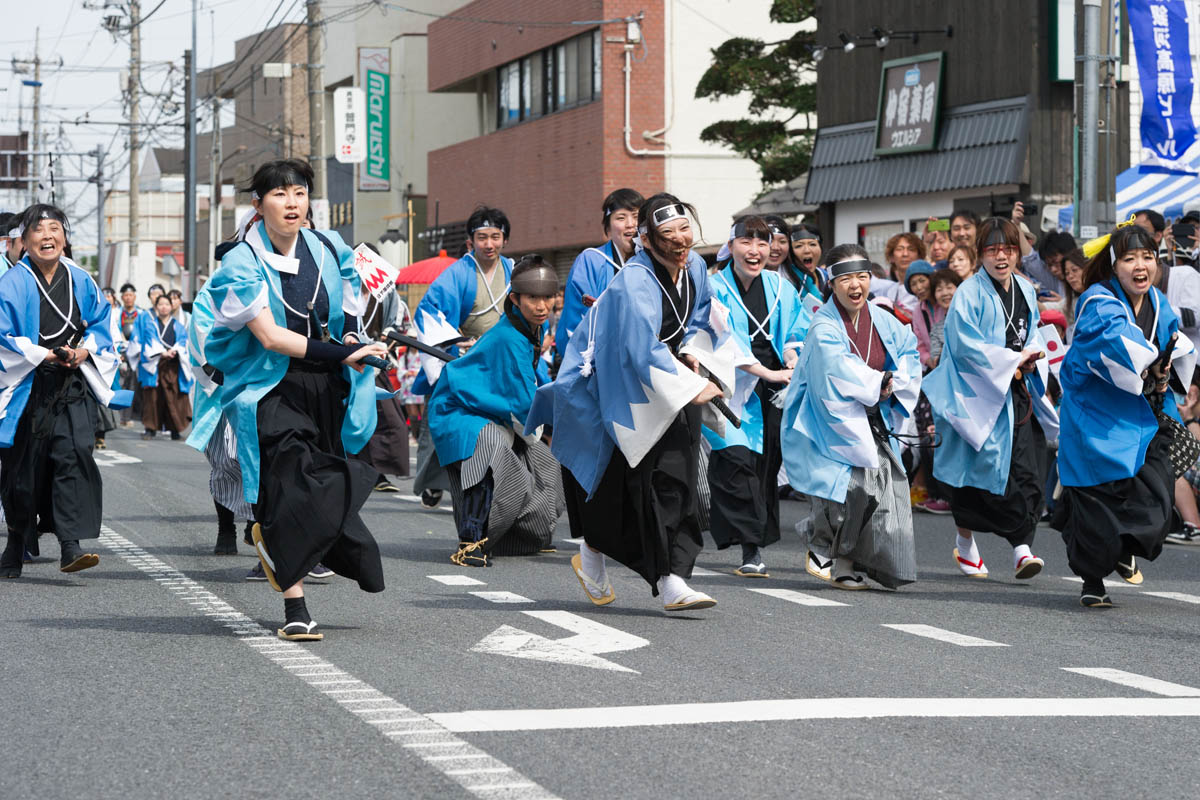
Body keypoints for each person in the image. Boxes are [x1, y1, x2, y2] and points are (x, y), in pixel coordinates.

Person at [204, 159, 387, 641]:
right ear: (257, 204)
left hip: (324, 387)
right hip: (269, 388)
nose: (292, 202)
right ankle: (296, 607)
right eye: (280, 194)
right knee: (289, 484)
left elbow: (351, 305)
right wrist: (344, 351)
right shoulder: (240, 261)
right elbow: (269, 338)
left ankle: (274, 539)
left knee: (322, 481)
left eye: (300, 193)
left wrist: (356, 339)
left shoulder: (330, 247)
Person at [529, 193, 738, 612]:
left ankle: (673, 578)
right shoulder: (633, 280)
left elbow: (702, 319)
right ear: (646, 238)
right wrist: (689, 385)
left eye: (685, 230)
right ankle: (595, 555)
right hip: (617, 383)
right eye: (668, 234)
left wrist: (695, 355)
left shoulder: (696, 266)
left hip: (669, 380)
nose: (680, 241)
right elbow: (639, 347)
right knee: (618, 482)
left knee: (675, 480)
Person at [1050, 222, 1196, 607]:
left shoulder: (1160, 305)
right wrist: (1150, 366)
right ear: (1114, 265)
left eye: (1147, 256)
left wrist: (1170, 370)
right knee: (1095, 505)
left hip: (1143, 415)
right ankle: (1093, 581)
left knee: (1158, 498)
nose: (1140, 265)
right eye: (1129, 258)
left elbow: (1171, 344)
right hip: (1097, 418)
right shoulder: (1098, 302)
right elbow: (1117, 344)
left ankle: (1122, 547)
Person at [925, 217, 1059, 581]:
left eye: (1009, 249)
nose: (1001, 257)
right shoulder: (969, 292)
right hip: (976, 396)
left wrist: (1030, 358)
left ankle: (1021, 549)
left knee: (1026, 472)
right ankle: (966, 542)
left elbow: (1030, 335)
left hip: (1015, 393)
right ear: (980, 253)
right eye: (992, 250)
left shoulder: (1026, 290)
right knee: (975, 476)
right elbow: (964, 347)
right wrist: (1011, 359)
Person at [0, 204, 130, 578]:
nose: (47, 236)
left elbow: (104, 323)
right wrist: (42, 354)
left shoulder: (81, 278)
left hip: (70, 383)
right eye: (37, 231)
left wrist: (84, 350)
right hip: (27, 384)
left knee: (72, 455)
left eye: (54, 228)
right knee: (22, 469)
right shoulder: (12, 282)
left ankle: (70, 544)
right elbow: (3, 337)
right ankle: (14, 541)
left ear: (65, 238)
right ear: (23, 241)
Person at [783, 243, 921, 589]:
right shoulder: (823, 326)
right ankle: (820, 541)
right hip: (829, 420)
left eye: (862, 276)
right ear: (831, 283)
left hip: (872, 418)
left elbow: (908, 353)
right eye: (845, 278)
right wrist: (879, 382)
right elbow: (836, 368)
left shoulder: (885, 320)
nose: (855, 285)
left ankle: (847, 562)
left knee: (884, 492)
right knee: (850, 489)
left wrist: (896, 380)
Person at [429, 255, 563, 565]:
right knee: (492, 449)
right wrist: (556, 422)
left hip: (491, 410)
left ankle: (526, 535)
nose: (542, 305)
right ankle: (471, 540)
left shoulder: (532, 328)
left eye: (547, 297)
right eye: (533, 297)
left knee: (546, 461)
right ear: (515, 299)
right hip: (459, 410)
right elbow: (525, 399)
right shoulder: (509, 337)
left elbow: (529, 384)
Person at [704, 217, 810, 577]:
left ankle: (753, 547)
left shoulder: (780, 287)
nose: (756, 251)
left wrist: (793, 356)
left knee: (763, 470)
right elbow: (723, 341)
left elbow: (796, 329)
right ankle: (749, 546)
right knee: (735, 461)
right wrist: (769, 372)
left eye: (763, 243)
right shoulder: (713, 287)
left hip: (772, 392)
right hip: (728, 389)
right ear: (730, 246)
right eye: (746, 242)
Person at [411, 206, 515, 509]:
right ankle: (433, 482)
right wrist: (456, 344)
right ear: (471, 241)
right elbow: (429, 312)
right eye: (482, 237)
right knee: (443, 423)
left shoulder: (512, 270)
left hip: (500, 361)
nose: (489, 244)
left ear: (504, 239)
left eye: (495, 237)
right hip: (463, 360)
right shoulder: (458, 273)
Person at [354, 251, 411, 492]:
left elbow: (396, 325)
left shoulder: (386, 293)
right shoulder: (344, 290)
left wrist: (389, 338)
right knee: (351, 421)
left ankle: (378, 473)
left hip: (375, 364)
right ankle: (357, 471)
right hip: (347, 362)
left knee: (390, 419)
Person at [129, 293, 193, 440]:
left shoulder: (178, 326)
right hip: (155, 366)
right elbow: (149, 343)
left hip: (173, 366)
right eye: (160, 304)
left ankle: (175, 430)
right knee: (152, 398)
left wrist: (174, 351)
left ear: (171, 307)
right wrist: (163, 353)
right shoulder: (151, 325)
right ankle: (150, 429)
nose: (164, 307)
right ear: (156, 307)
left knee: (174, 398)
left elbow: (183, 343)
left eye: (166, 304)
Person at [874, 233, 923, 315]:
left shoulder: (925, 286)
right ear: (891, 257)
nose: (905, 254)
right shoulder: (891, 290)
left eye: (911, 249)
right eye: (900, 249)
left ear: (919, 255)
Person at [786, 224, 826, 316]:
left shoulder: (827, 277)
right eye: (799, 246)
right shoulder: (786, 282)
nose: (807, 250)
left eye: (812, 244)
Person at [117, 282, 142, 427]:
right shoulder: (117, 313)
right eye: (125, 295)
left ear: (134, 296)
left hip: (135, 354)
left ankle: (130, 416)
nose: (128, 298)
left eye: (130, 295)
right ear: (122, 297)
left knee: (133, 386)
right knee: (121, 384)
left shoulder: (141, 313)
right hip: (120, 353)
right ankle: (121, 416)